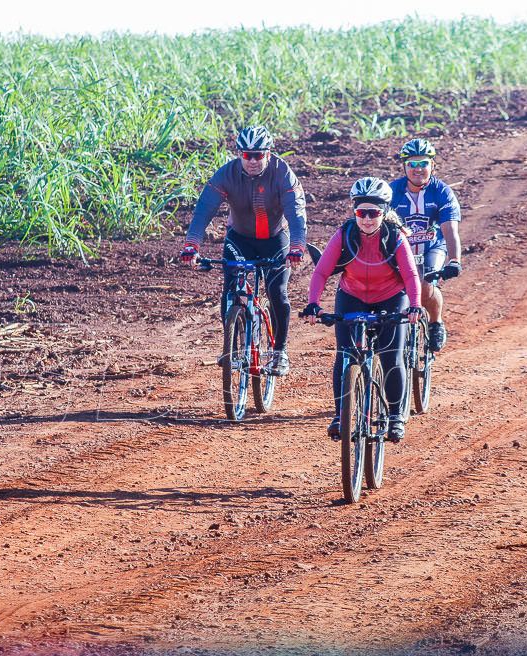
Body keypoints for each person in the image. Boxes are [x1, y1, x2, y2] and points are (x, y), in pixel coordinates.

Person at [301, 178, 423, 442]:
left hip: (391, 298)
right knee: (344, 357)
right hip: (352, 296)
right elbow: (321, 272)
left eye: (374, 213)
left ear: (384, 212)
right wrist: (313, 303)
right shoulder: (344, 235)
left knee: (392, 356)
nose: (367, 219)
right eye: (361, 213)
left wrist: (414, 305)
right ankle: (339, 415)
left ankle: (394, 416)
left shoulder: (395, 237)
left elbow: (412, 276)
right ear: (354, 212)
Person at [179, 125, 306, 376]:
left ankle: (280, 352)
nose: (253, 160)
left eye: (259, 154)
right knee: (230, 290)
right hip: (239, 239)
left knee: (276, 291)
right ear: (240, 154)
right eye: (247, 155)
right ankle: (233, 349)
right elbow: (204, 209)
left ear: (269, 154)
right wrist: (192, 245)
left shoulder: (283, 174)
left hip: (276, 238)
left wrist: (297, 247)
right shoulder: (226, 174)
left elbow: (296, 212)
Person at [388, 138, 463, 352]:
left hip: (433, 247)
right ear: (404, 166)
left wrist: (455, 260)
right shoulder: (392, 192)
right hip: (402, 249)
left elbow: (450, 230)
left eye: (423, 163)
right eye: (412, 164)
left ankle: (435, 322)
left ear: (433, 165)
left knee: (425, 284)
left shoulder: (443, 192)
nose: (418, 169)